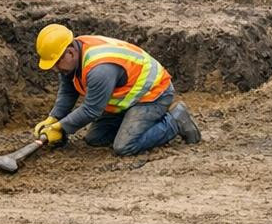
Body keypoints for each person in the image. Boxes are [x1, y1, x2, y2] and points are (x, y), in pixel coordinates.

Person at [31, 24, 202, 156]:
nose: (56, 69)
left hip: (153, 94)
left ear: (70, 52)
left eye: (56, 63)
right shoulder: (74, 55)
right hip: (128, 99)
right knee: (94, 139)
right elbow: (69, 90)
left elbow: (91, 110)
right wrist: (53, 118)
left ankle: (174, 121)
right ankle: (132, 124)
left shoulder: (99, 69)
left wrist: (60, 128)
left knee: (124, 146)